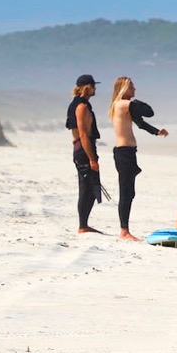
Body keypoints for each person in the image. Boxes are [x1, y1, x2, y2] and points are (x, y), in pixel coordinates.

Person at [108, 76, 168, 241]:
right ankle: (124, 231)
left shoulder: (124, 106)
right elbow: (149, 111)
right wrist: (136, 102)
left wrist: (157, 132)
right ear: (123, 89)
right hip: (124, 153)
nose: (134, 90)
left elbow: (141, 123)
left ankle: (125, 229)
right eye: (131, 87)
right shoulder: (123, 104)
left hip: (128, 152)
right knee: (125, 192)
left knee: (130, 192)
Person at [67, 74, 103, 234]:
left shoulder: (81, 104)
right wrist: (92, 159)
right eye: (93, 86)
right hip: (83, 150)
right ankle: (82, 225)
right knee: (87, 187)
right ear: (86, 87)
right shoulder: (81, 107)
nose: (95, 88)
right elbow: (83, 134)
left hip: (84, 148)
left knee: (93, 188)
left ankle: (84, 224)